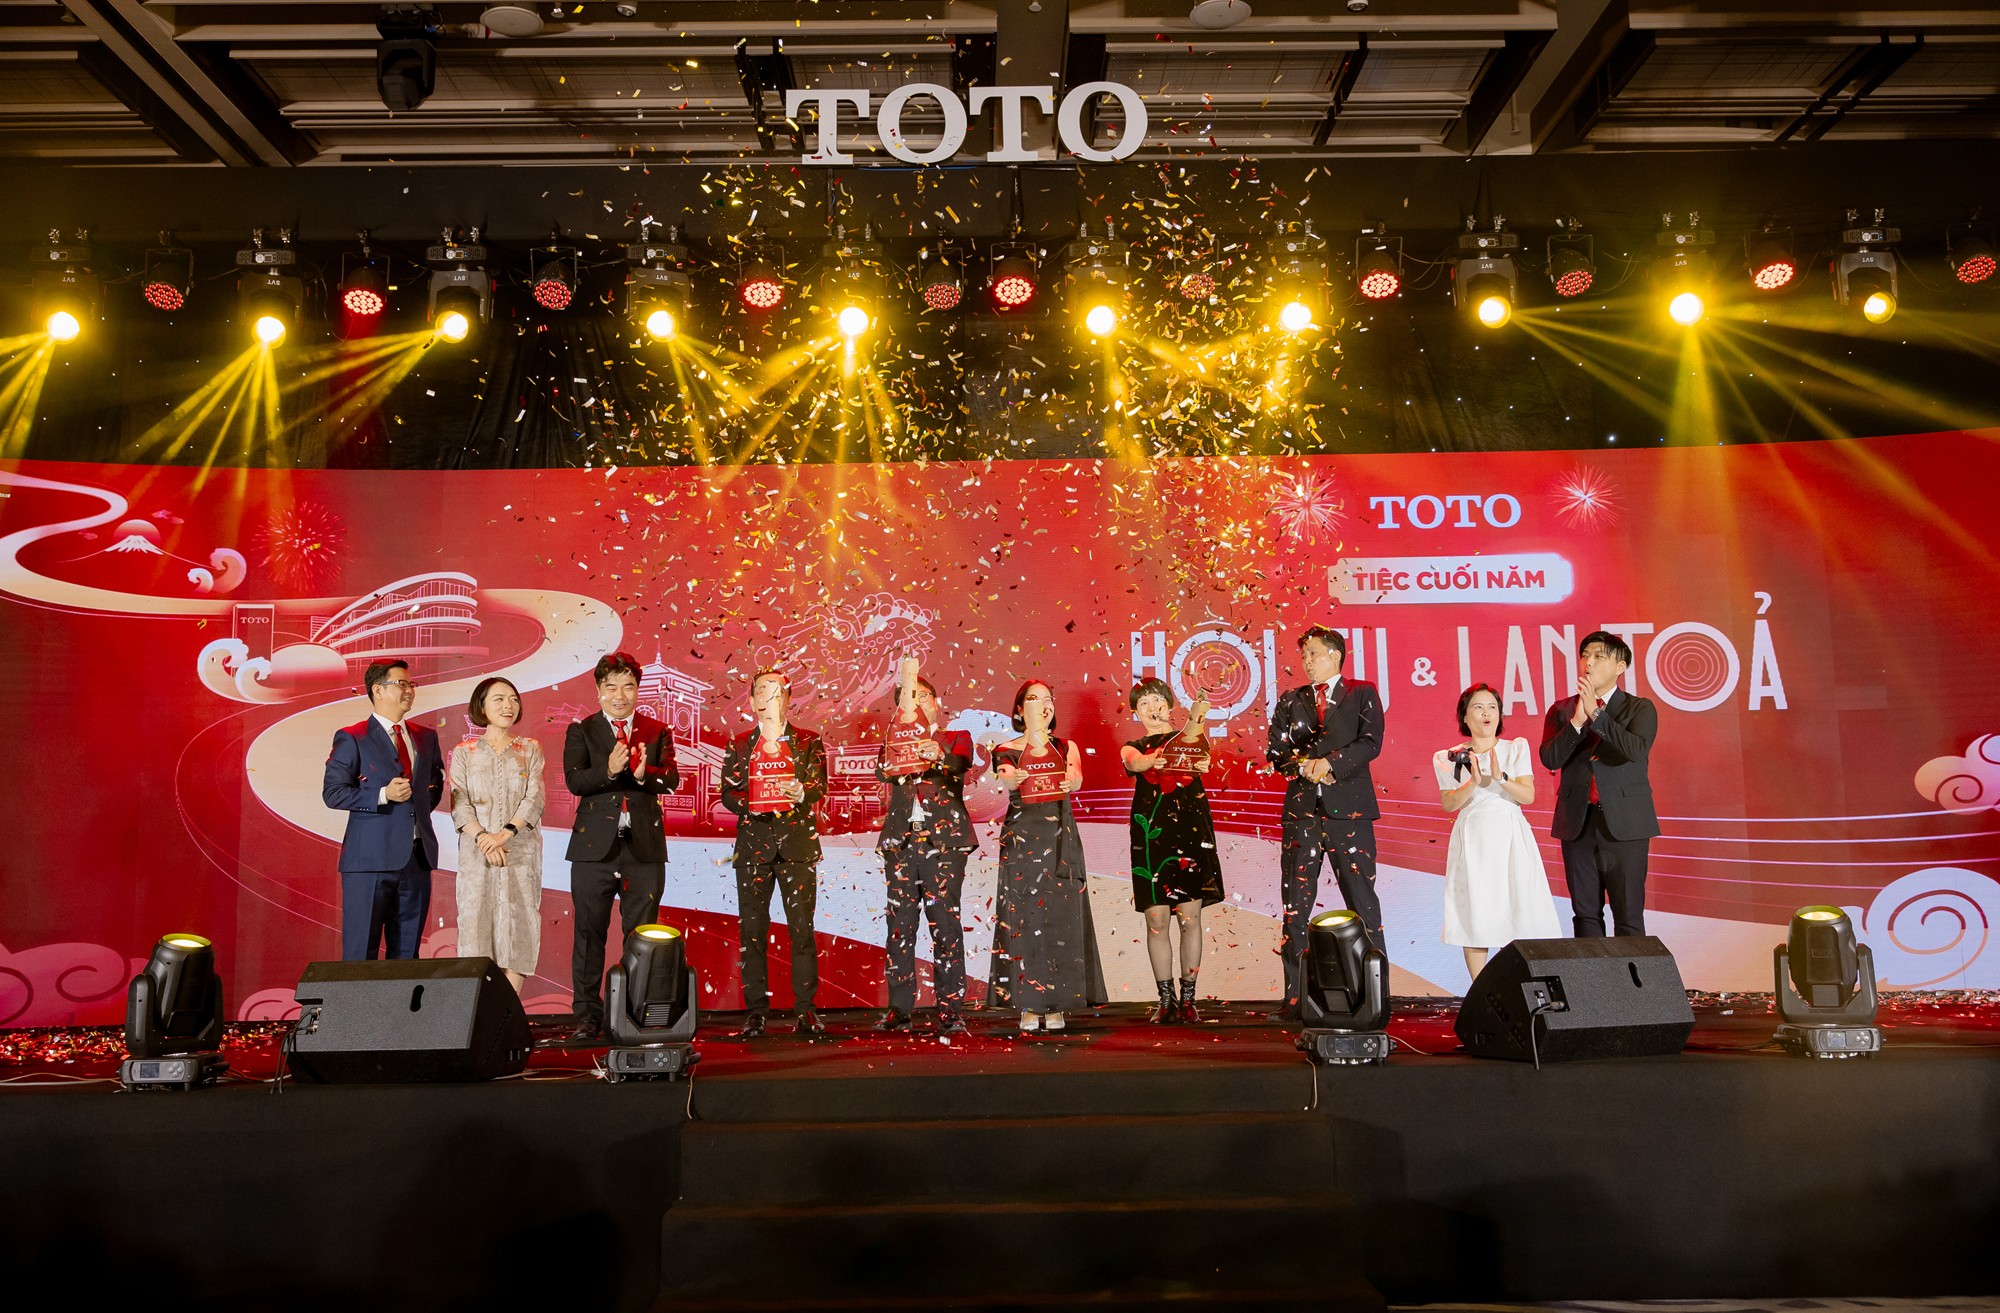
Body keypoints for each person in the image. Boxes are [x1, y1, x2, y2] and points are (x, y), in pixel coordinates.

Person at [1265, 625, 1385, 1018]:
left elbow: (1371, 742)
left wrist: (1331, 764)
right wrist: (1306, 767)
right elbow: (1276, 750)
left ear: (1335, 654)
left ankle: (1375, 994)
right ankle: (1296, 998)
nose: (1306, 662)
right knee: (1295, 907)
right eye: (1303, 655)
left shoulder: (1362, 692)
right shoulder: (1291, 699)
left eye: (1313, 653)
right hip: (1302, 813)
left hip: (1350, 812)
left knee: (1362, 902)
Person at [562, 652, 679, 1042]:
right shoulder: (581, 730)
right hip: (593, 850)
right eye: (611, 687)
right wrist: (610, 770)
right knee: (588, 933)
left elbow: (672, 779)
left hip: (643, 850)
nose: (620, 695)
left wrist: (645, 775)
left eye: (628, 686)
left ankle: (634, 1012)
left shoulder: (657, 730)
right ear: (599, 690)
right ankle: (587, 1015)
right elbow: (575, 781)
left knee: (642, 936)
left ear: (637, 689)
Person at [991, 679, 1107, 1035]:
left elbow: (1075, 778)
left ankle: (1057, 1004)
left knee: (1060, 920)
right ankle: (1028, 1004)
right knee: (1024, 920)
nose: (1042, 704)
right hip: (1023, 841)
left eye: (1047, 698)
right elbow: (1007, 779)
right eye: (1033, 698)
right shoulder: (1005, 749)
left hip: (1060, 840)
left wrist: (1070, 778)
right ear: (1019, 709)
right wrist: (1016, 776)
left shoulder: (1065, 746)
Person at [720, 668, 829, 1040]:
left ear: (788, 698)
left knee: (802, 931)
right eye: (762, 691)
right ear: (752, 701)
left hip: (798, 846)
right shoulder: (739, 744)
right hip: (754, 848)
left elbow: (819, 784)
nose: (770, 697)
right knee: (752, 932)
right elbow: (728, 793)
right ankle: (755, 1012)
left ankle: (806, 1010)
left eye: (778, 690)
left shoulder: (809, 740)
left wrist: (802, 791)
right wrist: (754, 801)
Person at [874, 657, 975, 1037]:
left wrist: (937, 754)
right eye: (907, 699)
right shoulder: (893, 738)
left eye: (922, 696)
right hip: (901, 843)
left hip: (944, 845)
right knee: (899, 928)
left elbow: (960, 763)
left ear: (935, 702)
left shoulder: (955, 737)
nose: (916, 703)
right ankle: (899, 1010)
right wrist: (903, 745)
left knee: (945, 927)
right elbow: (881, 769)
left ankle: (951, 1011)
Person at [1434, 683, 1562, 981]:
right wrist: (1473, 782)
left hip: (1510, 836)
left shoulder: (1515, 748)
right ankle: (1481, 991)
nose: (1486, 713)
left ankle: (1519, 988)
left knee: (1516, 911)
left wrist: (1500, 777)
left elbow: (1527, 795)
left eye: (1492, 707)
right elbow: (1449, 804)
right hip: (1473, 839)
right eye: (1478, 707)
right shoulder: (1449, 757)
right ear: (1465, 716)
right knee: (1475, 915)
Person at [321, 659, 444, 961]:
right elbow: (333, 793)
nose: (409, 690)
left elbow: (434, 787)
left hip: (417, 859)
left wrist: (416, 812)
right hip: (369, 861)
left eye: (411, 684)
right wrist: (381, 795)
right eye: (402, 684)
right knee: (361, 954)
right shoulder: (353, 736)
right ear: (377, 690)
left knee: (407, 957)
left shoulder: (426, 737)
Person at [1539, 630, 1660, 937]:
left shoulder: (1639, 708)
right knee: (1585, 915)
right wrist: (1577, 722)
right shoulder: (1562, 710)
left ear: (1620, 667)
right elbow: (1550, 759)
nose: (1588, 663)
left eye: (1598, 657)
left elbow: (1634, 750)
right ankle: (1591, 972)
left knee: (1628, 915)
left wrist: (1596, 712)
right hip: (1577, 822)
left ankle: (1631, 972)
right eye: (1585, 656)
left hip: (1626, 822)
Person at [1120, 678, 1224, 1024]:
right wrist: (1154, 760)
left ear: (1170, 705)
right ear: (1136, 713)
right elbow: (1135, 763)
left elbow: (1202, 760)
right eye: (1144, 703)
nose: (1152, 707)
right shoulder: (1133, 747)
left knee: (1190, 918)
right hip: (1151, 834)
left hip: (1190, 830)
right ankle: (1166, 999)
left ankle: (1189, 998)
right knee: (1156, 920)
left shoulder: (1189, 739)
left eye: (1157, 700)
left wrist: (1201, 763)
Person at [449, 676, 547, 996]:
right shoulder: (464, 752)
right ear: (481, 706)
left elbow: (534, 799)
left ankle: (509, 1012)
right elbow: (459, 803)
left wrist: (504, 835)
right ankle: (480, 1013)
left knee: (519, 925)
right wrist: (483, 839)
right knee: (476, 924)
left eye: (514, 699)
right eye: (499, 699)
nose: (508, 705)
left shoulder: (530, 749)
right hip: (477, 854)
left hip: (519, 852)